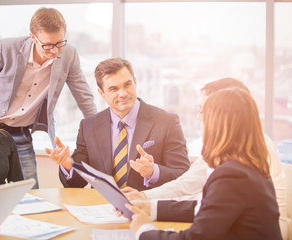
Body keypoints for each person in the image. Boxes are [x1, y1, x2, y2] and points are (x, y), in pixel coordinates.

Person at [121, 78, 288, 239]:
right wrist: (151, 207)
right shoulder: (246, 161)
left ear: (218, 123)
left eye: (204, 112)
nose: (200, 119)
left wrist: (143, 229)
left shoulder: (232, 174)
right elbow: (208, 206)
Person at [0, 7, 96, 189]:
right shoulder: (5, 48)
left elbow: (83, 95)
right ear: (32, 37)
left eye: (59, 43)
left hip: (21, 132)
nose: (54, 51)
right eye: (47, 45)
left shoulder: (68, 54)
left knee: (31, 193)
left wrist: (99, 130)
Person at [45, 57, 190, 191]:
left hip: (145, 207)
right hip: (101, 208)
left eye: (127, 85)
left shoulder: (167, 122)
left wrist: (153, 171)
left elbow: (183, 174)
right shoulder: (88, 127)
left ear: (135, 81)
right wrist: (68, 166)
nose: (123, 93)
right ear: (101, 93)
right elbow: (76, 184)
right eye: (113, 89)